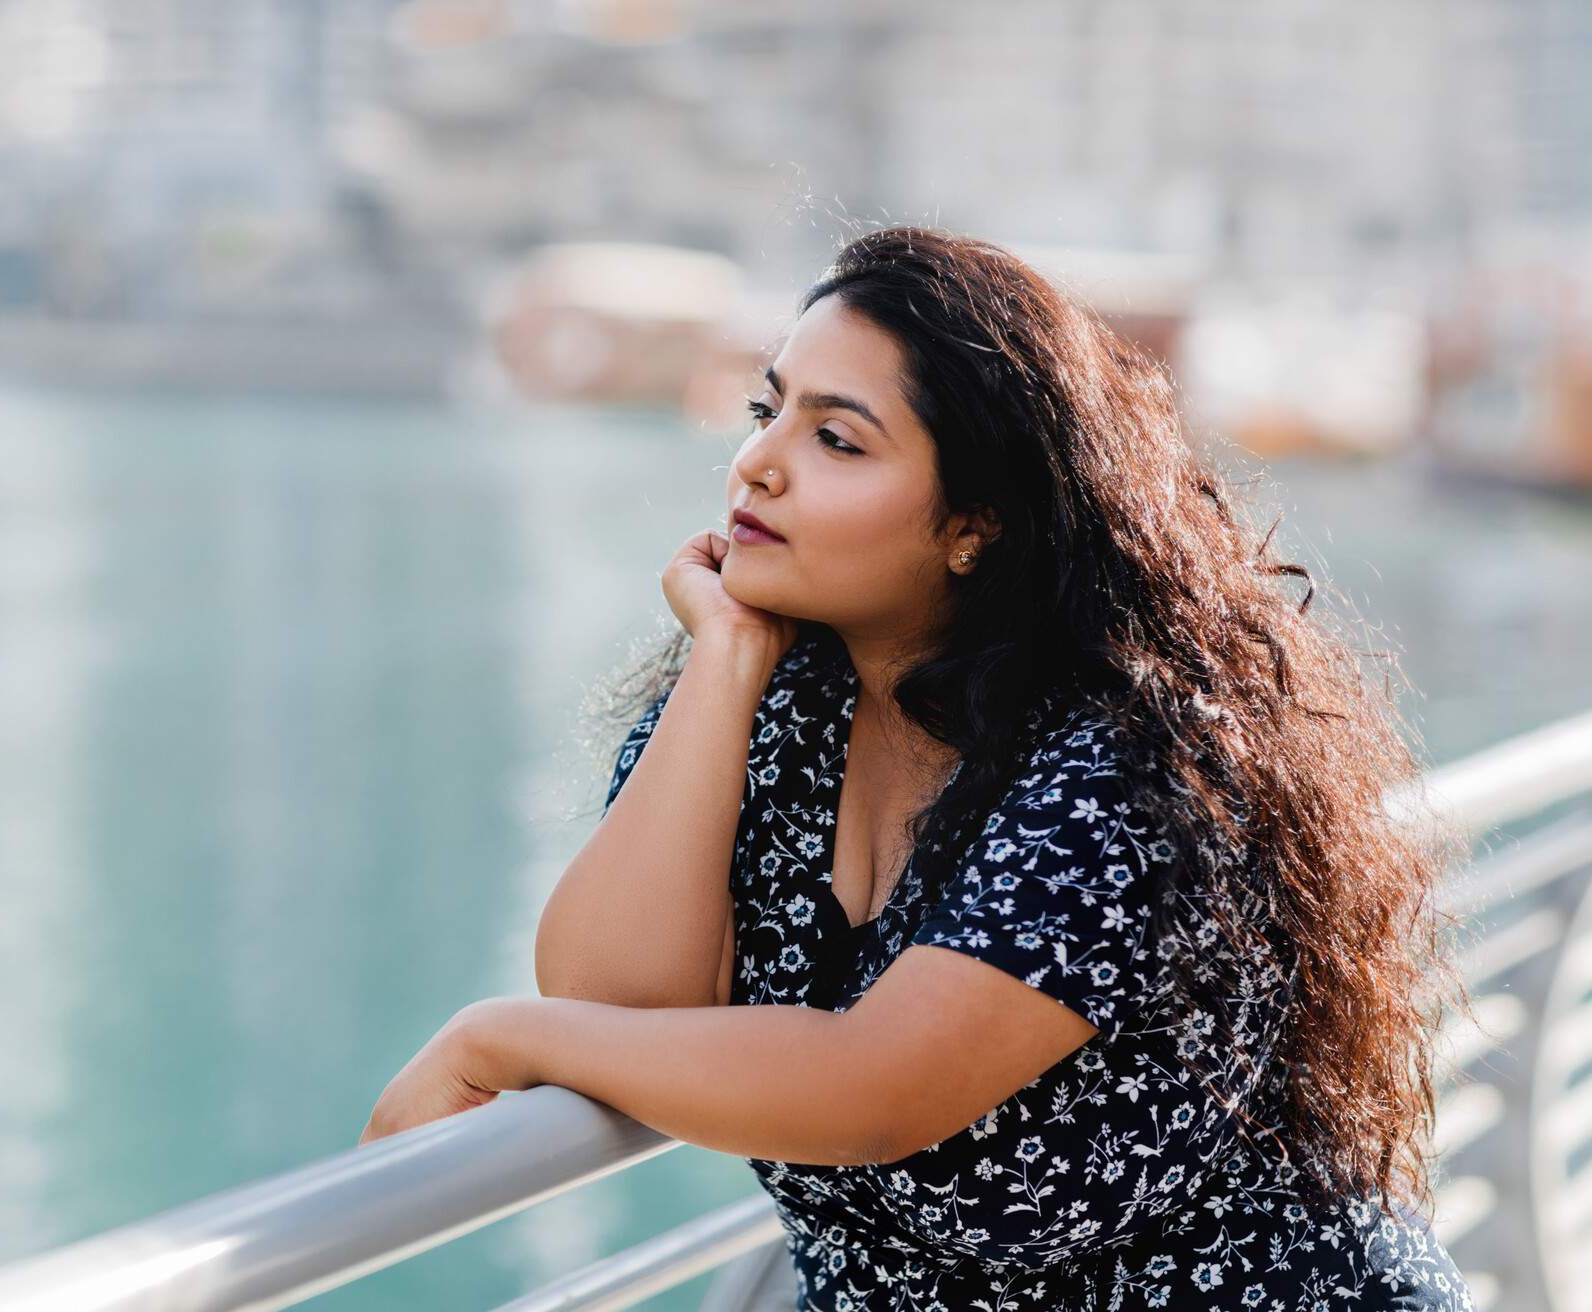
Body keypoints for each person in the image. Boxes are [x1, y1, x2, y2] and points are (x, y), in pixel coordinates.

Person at [359, 227, 1478, 1310]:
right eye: (769, 409)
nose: (756, 462)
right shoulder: (775, 707)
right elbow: (621, 1004)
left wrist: (496, 1035)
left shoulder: (1133, 765)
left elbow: (874, 1091)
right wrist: (726, 660)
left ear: (975, 525)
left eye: (835, 440)